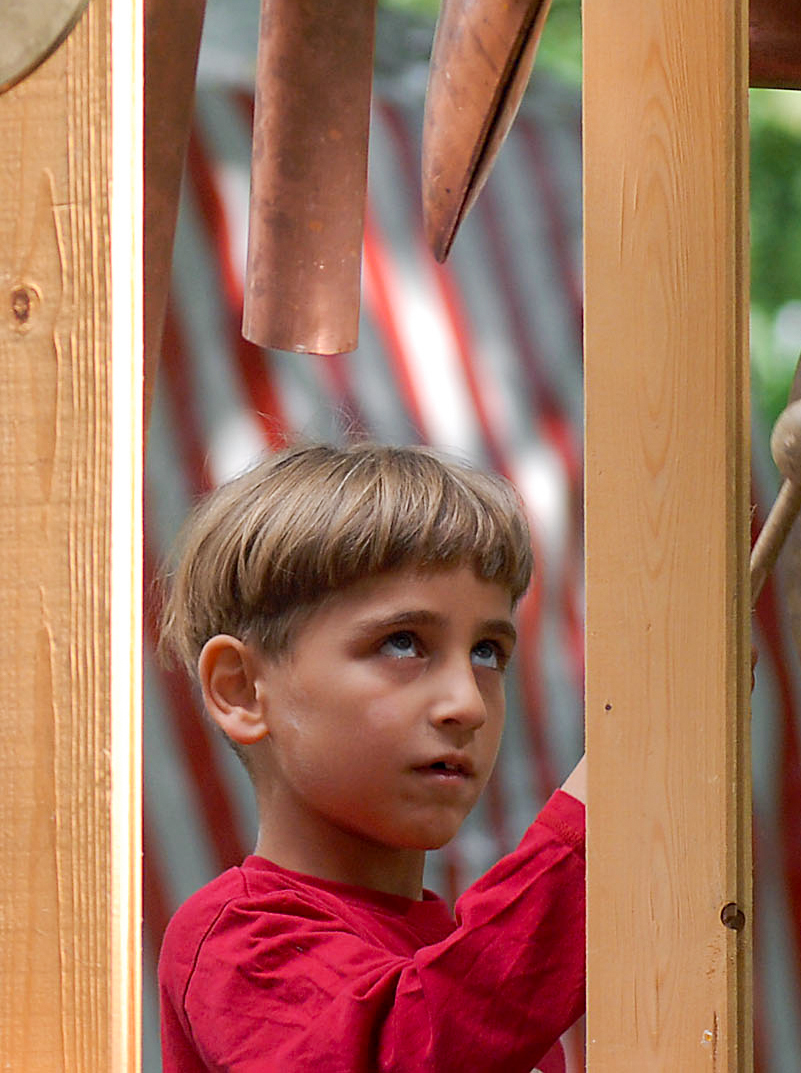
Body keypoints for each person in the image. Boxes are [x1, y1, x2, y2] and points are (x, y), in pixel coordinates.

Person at [154, 442, 588, 1073]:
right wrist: (599, 822)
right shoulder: (237, 942)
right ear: (242, 689)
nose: (466, 704)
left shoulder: (464, 963)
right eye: (403, 642)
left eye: (488, 652)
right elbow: (410, 1046)